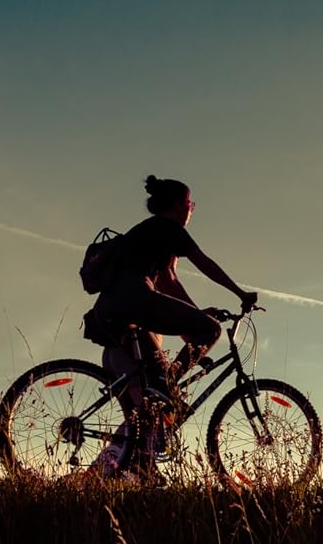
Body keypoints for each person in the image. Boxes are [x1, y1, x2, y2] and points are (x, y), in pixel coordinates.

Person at [88, 175, 258, 481]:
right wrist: (240, 293)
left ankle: (140, 464)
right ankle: (168, 386)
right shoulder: (169, 228)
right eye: (190, 204)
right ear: (179, 206)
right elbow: (204, 262)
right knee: (211, 332)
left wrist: (193, 318)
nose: (191, 210)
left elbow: (169, 282)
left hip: (110, 312)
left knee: (145, 406)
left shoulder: (151, 235)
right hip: (135, 301)